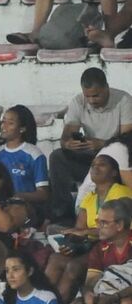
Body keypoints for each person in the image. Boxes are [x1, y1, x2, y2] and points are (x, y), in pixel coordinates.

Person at [49, 68, 132, 225]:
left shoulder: (124, 100)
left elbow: (127, 138)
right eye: (88, 96)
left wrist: (102, 144)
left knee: (119, 154)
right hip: (90, 156)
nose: (92, 100)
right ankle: (61, 214)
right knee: (57, 157)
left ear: (106, 87)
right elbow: (66, 135)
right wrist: (68, 143)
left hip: (115, 159)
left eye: (96, 95)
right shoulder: (78, 102)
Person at [47, 153, 129, 304]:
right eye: (93, 165)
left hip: (111, 245)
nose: (95, 168)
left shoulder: (121, 192)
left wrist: (84, 233)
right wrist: (72, 241)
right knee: (56, 259)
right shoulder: (89, 197)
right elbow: (79, 228)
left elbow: (119, 229)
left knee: (74, 266)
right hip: (89, 244)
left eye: (102, 165)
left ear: (114, 172)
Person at [65, 200, 132, 304]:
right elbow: (91, 281)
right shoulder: (99, 249)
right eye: (97, 221)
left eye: (103, 222)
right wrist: (89, 295)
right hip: (107, 302)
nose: (98, 226)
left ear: (120, 225)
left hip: (123, 301)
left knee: (126, 303)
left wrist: (114, 297)